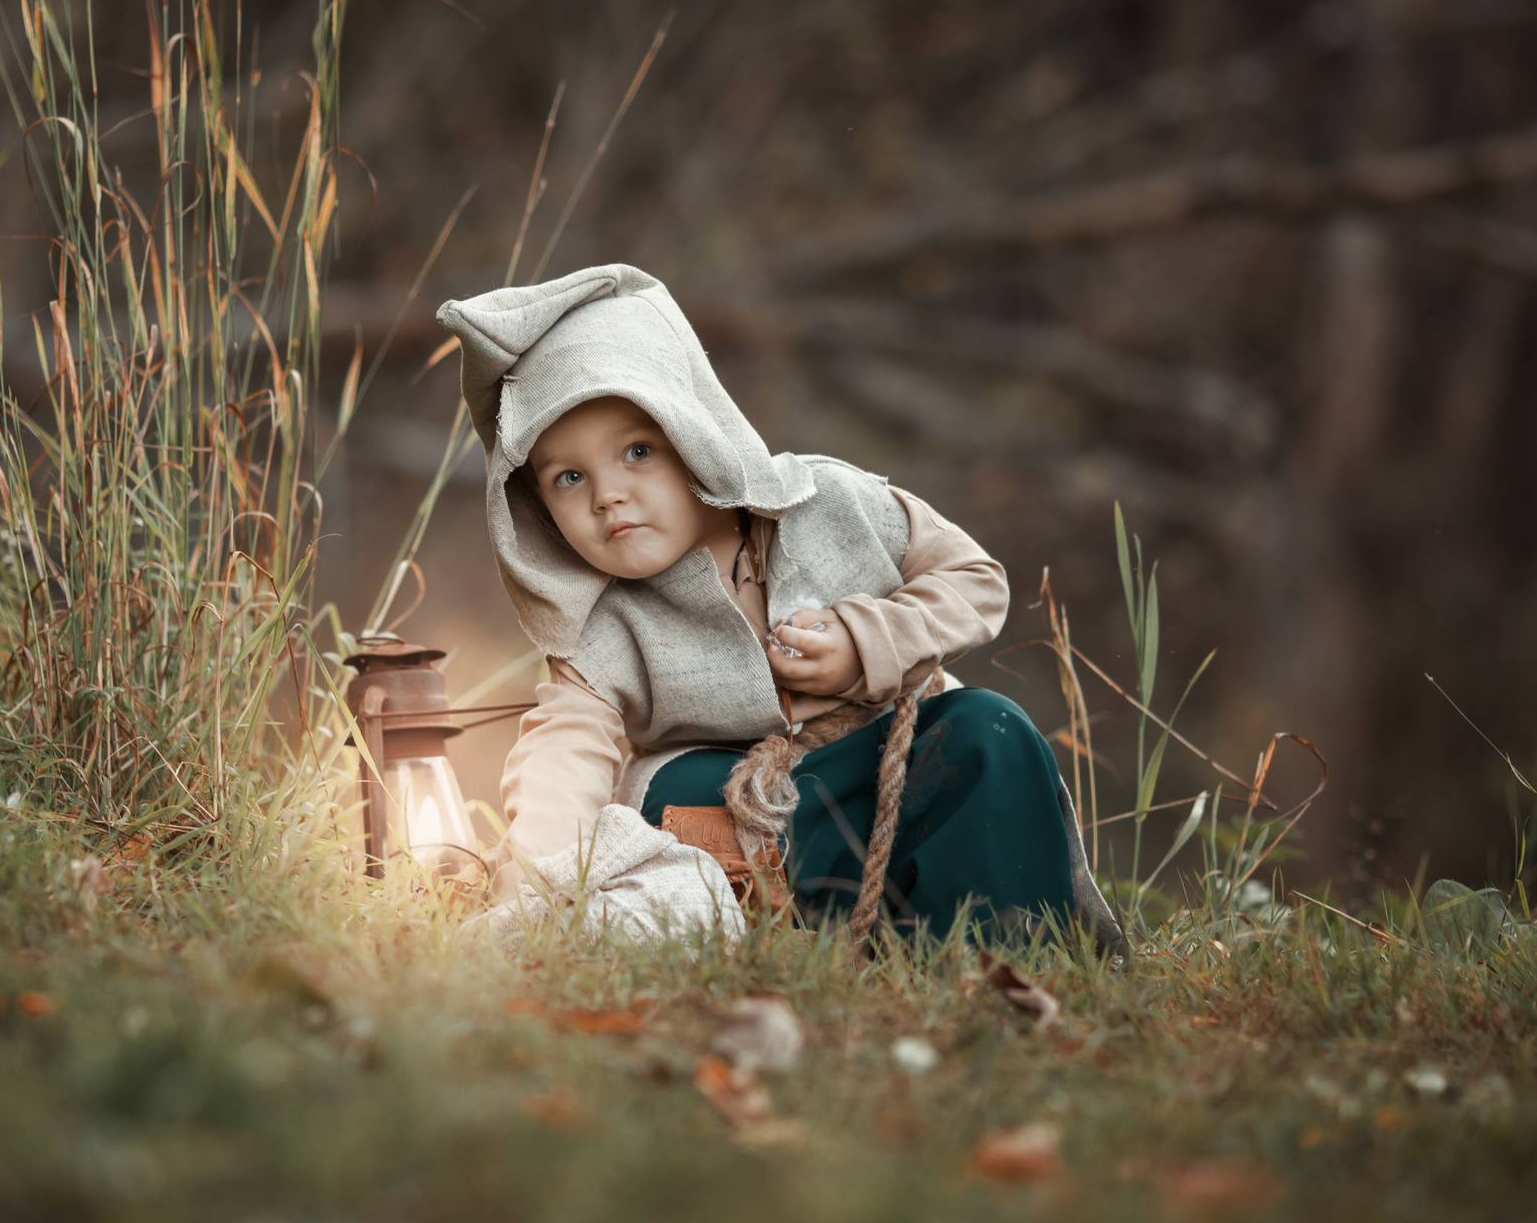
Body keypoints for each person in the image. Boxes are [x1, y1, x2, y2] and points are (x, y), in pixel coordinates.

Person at [436, 264, 1122, 953]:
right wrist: (531, 892)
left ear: (695, 431)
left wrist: (865, 642)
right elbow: (562, 757)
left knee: (987, 729)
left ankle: (1001, 951)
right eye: (569, 477)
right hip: (767, 839)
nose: (607, 495)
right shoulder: (602, 626)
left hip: (886, 782)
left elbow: (974, 580)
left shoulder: (828, 503)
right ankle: (796, 941)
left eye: (638, 451)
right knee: (671, 790)